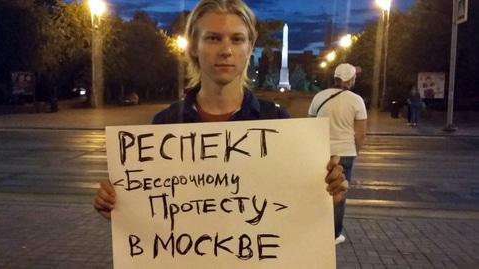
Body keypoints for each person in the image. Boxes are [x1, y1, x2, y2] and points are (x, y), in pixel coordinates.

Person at [94, 0, 348, 238]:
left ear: (250, 47)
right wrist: (120, 207)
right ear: (193, 45)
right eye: (213, 38)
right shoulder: (165, 125)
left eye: (237, 39)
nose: (226, 50)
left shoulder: (278, 122)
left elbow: (293, 208)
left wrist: (325, 194)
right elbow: (153, 213)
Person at [307, 63, 367, 245]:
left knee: (318, 191)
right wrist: (356, 150)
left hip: (321, 151)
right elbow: (361, 133)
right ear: (350, 80)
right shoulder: (356, 100)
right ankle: (334, 234)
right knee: (339, 194)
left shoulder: (319, 97)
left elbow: (311, 127)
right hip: (345, 153)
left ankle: (315, 228)